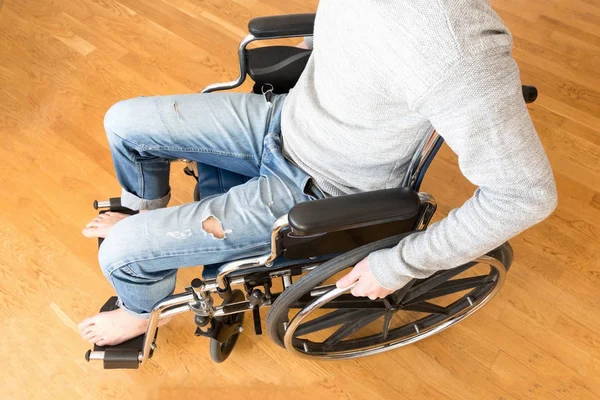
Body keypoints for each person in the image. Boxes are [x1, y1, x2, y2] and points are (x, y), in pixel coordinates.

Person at [78, 0, 557, 346]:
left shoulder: (458, 53)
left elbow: (524, 194)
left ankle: (141, 310)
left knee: (121, 256)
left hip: (319, 188)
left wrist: (400, 265)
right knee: (123, 122)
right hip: (286, 119)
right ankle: (145, 214)